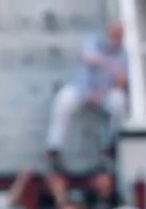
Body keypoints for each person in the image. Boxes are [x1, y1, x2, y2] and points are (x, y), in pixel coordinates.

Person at [46, 21, 127, 159]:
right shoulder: (93, 43)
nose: (116, 38)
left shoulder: (124, 54)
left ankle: (111, 144)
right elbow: (86, 59)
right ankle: (54, 145)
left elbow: (121, 81)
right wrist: (107, 63)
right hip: (81, 90)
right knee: (63, 99)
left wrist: (102, 92)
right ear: (107, 32)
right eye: (114, 34)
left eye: (119, 35)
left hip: (104, 93)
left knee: (119, 102)